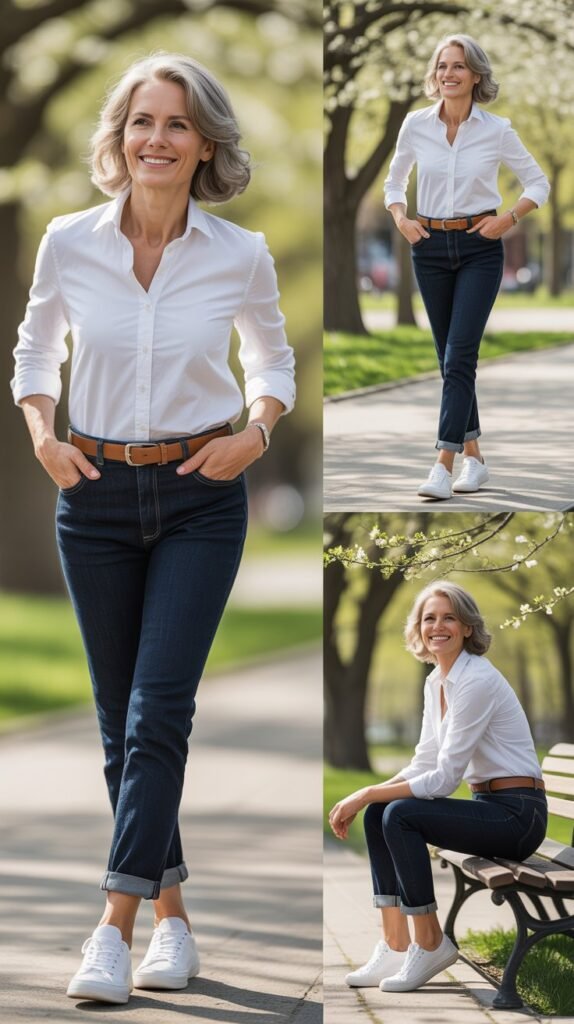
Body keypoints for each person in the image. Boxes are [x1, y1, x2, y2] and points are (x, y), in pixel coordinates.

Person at [11, 52, 295, 1005]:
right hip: (90, 493)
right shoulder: (67, 242)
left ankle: (111, 928)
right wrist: (44, 434)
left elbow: (273, 363)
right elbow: (35, 347)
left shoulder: (240, 253)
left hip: (198, 497)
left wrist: (255, 436)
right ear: (118, 137)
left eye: (176, 125)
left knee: (156, 712)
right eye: (141, 122)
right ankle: (173, 916)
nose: (156, 140)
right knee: (113, 723)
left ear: (205, 142)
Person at [328, 581, 547, 994]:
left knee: (398, 812)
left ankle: (430, 943)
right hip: (494, 805)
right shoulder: (436, 681)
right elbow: (424, 762)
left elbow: (444, 779)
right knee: (381, 812)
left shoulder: (476, 680)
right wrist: (370, 796)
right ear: (419, 627)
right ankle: (395, 944)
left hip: (519, 815)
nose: (438, 626)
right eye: (430, 618)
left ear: (467, 628)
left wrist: (364, 793)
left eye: (449, 617)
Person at [384, 35, 550, 500]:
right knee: (448, 360)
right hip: (430, 245)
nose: (448, 74)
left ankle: (442, 464)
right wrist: (401, 218)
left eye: (458, 66)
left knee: (460, 357)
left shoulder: (497, 130)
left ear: (476, 75)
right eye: (442, 66)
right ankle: (474, 459)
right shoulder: (415, 125)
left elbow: (539, 182)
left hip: (480, 247)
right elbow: (394, 180)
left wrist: (509, 218)